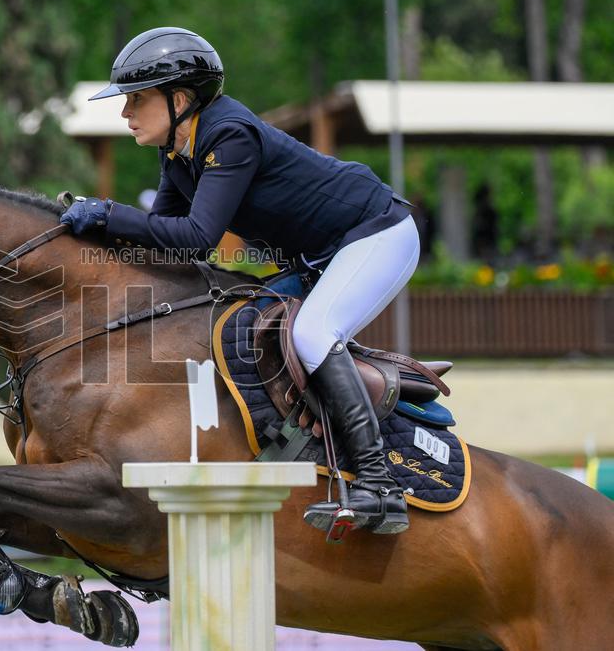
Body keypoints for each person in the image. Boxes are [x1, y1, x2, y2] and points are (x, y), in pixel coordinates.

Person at [60, 27, 420, 535]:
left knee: (313, 335)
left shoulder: (228, 134)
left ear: (179, 99)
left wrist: (109, 214)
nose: (125, 113)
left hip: (376, 234)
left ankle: (380, 486)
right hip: (323, 254)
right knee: (236, 325)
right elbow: (161, 246)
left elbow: (197, 237)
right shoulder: (178, 151)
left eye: (136, 99)